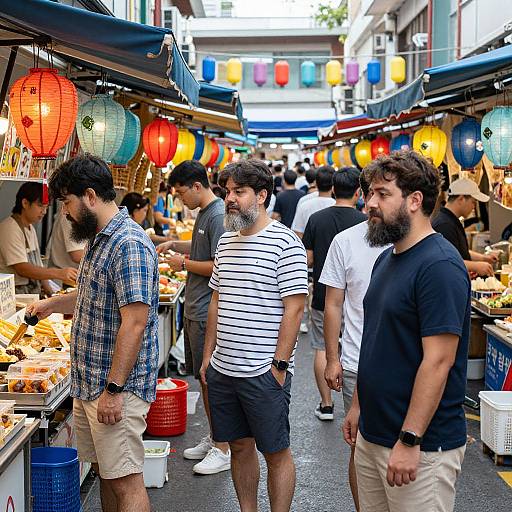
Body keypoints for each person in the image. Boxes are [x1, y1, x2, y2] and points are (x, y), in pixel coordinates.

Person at [27, 155, 159, 512]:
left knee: (126, 481)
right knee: (107, 475)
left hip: (114, 388)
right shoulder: (100, 238)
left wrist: (114, 391)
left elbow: (135, 322)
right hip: (90, 384)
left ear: (89, 196)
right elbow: (92, 292)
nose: (65, 213)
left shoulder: (128, 242)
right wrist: (52, 305)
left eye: (67, 203)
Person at [343, 151, 470, 512]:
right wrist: (357, 405)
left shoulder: (440, 266)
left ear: (415, 200)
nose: (370, 203)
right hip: (374, 433)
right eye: (370, 194)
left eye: (383, 194)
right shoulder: (388, 257)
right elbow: (377, 341)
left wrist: (410, 439)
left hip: (420, 446)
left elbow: (438, 362)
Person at [200, 159, 308, 512]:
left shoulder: (284, 242)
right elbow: (216, 299)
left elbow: (294, 308)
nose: (229, 198)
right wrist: (207, 358)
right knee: (240, 446)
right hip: (223, 369)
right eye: (226, 191)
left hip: (263, 371)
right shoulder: (226, 241)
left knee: (276, 452)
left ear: (262, 195)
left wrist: (278, 365)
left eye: (238, 192)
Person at [321, 172, 390, 511]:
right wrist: (332, 358)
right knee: (360, 446)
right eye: (372, 193)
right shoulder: (345, 241)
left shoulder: (407, 241)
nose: (376, 201)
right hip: (355, 363)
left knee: (398, 446)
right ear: (364, 196)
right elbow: (333, 304)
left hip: (401, 366)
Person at [156, 160, 229, 475]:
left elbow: (219, 265)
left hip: (204, 310)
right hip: (196, 306)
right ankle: (215, 437)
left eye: (181, 192)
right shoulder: (205, 214)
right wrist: (175, 244)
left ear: (197, 186)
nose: (180, 199)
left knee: (210, 378)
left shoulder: (216, 215)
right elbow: (203, 248)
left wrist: (182, 263)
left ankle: (223, 448)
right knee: (204, 377)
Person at [302, 168, 367, 423]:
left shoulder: (317, 219)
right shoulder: (364, 223)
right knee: (352, 345)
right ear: (359, 193)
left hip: (323, 295)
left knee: (322, 347)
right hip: (356, 299)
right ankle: (354, 402)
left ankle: (327, 404)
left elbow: (307, 257)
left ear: (332, 190)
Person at [0, 182, 78, 295]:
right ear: (25, 203)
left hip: (32, 293)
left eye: (46, 207)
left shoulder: (30, 227)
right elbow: (22, 268)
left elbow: (39, 269)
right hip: (16, 295)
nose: (44, 212)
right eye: (40, 205)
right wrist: (58, 273)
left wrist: (52, 295)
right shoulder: (10, 228)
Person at [432, 178, 496, 277]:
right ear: (461, 199)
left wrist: (484, 258)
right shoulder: (444, 225)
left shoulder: (451, 220)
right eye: (473, 202)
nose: (474, 207)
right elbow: (448, 261)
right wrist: (475, 266)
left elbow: (460, 252)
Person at [292, 165, 335, 238]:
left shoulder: (304, 202)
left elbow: (297, 233)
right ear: (333, 185)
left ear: (315, 183)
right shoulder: (337, 205)